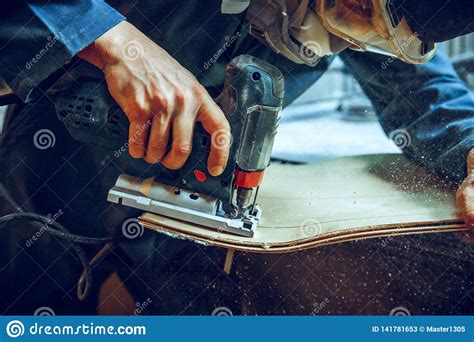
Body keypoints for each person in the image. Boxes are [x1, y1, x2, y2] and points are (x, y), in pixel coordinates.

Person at [0, 0, 472, 314]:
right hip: (56, 167)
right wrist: (113, 43)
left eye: (373, 29)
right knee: (32, 303)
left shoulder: (375, 12)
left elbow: (426, 89)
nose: (348, 31)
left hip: (193, 205)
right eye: (353, 8)